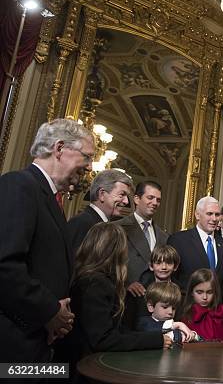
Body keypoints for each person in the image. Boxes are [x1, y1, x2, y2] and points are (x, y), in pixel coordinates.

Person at [0, 118, 94, 362]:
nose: (90, 166)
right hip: (14, 345)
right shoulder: (19, 185)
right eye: (87, 156)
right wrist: (50, 311)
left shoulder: (51, 199)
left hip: (39, 340)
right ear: (60, 148)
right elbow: (5, 265)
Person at [68, 223, 170, 379]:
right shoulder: (96, 283)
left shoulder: (91, 278)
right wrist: (155, 340)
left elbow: (116, 330)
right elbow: (103, 339)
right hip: (87, 369)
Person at [168, 196, 223, 295]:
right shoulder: (178, 240)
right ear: (197, 215)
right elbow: (171, 277)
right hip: (186, 305)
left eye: (217, 214)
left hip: (216, 308)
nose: (214, 219)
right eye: (209, 214)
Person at [116, 181, 169, 297]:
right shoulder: (117, 228)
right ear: (137, 199)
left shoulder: (164, 236)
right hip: (125, 299)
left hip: (153, 300)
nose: (155, 203)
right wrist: (126, 284)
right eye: (150, 197)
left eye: (158, 200)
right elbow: (107, 264)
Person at [68, 169, 132, 255]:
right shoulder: (82, 223)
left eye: (127, 196)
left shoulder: (100, 224)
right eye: (122, 194)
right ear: (102, 194)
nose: (126, 201)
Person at [124, 244, 182, 328]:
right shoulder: (139, 289)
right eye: (158, 263)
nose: (164, 267)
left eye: (168, 263)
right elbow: (134, 323)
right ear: (151, 266)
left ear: (175, 266)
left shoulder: (181, 289)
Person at [180, 268, 223, 341]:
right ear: (191, 292)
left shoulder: (222, 312)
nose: (205, 297)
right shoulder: (186, 315)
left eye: (209, 292)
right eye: (199, 292)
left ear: (215, 292)